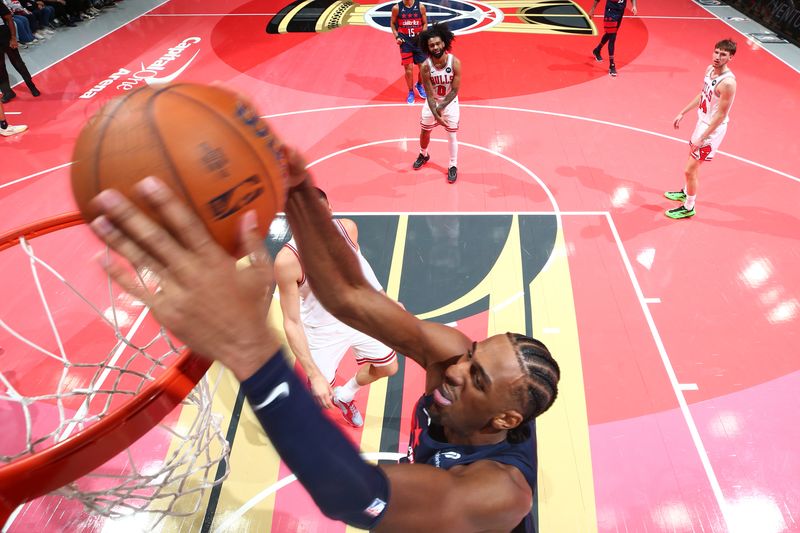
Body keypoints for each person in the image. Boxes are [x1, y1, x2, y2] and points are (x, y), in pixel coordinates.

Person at [85, 144, 561, 532]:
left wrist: (253, 352)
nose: (456, 365)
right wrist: (294, 191)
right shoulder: (452, 360)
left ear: (505, 418)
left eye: (475, 376)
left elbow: (356, 497)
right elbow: (351, 296)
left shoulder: (500, 492)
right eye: (471, 354)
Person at [274, 187, 398, 427]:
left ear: (329, 209)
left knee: (388, 367)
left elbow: (360, 266)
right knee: (319, 393)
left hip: (357, 315)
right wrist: (314, 374)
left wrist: (385, 298)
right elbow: (291, 321)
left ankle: (347, 394)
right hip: (323, 330)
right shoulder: (288, 260)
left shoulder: (347, 228)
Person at [665, 39, 737, 219]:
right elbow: (704, 94)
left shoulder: (728, 83)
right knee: (693, 165)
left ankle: (689, 207)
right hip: (702, 123)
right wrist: (683, 112)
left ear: (730, 58)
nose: (718, 57)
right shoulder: (709, 70)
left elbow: (720, 115)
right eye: (716, 52)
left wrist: (703, 137)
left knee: (690, 169)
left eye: (723, 55)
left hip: (712, 131)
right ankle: (685, 190)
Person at [412, 23, 461, 184]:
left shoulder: (455, 63)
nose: (435, 47)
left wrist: (440, 109)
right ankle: (423, 154)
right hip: (432, 103)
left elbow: (454, 91)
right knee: (425, 131)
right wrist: (435, 113)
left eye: (438, 43)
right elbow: (429, 94)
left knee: (451, 134)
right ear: (428, 48)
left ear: (444, 43)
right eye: (431, 45)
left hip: (450, 102)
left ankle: (453, 165)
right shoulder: (426, 67)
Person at [0, 0, 40, 103]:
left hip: (5, 36)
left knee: (18, 63)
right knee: (0, 68)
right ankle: (7, 92)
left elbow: (9, 19)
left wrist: (13, 38)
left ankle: (31, 86)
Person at [390, 0, 427, 104]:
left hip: (418, 42)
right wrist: (397, 36)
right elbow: (392, 24)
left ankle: (419, 84)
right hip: (405, 43)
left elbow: (425, 24)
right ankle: (411, 91)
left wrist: (422, 35)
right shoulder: (396, 8)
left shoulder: (421, 7)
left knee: (424, 68)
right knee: (408, 69)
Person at [589, 0, 638, 77]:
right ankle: (612, 65)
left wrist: (634, 6)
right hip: (611, 12)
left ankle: (597, 50)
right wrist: (592, 9)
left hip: (620, 12)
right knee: (612, 37)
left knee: (610, 34)